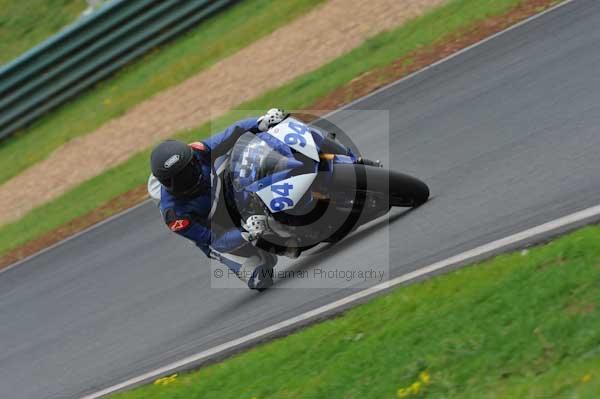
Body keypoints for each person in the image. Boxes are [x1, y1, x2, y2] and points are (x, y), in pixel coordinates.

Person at [148, 109, 290, 290]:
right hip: (219, 229)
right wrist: (245, 232)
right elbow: (212, 239)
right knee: (260, 277)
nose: (188, 177)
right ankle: (255, 255)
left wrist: (261, 122)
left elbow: (233, 133)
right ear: (167, 184)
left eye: (189, 169)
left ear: (191, 159)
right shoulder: (175, 215)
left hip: (230, 196)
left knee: (247, 153)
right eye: (180, 178)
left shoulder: (197, 151)